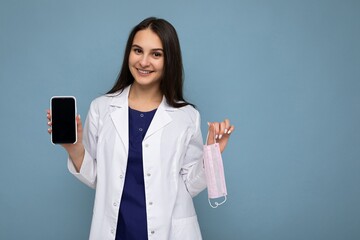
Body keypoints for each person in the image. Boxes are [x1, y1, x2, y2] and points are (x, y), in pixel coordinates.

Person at [47, 17, 234, 240]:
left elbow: (188, 186)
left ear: (169, 60)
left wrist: (212, 154)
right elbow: (98, 178)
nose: (144, 62)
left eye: (156, 54)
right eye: (137, 50)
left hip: (170, 232)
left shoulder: (187, 116)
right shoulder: (102, 108)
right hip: (116, 231)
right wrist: (74, 147)